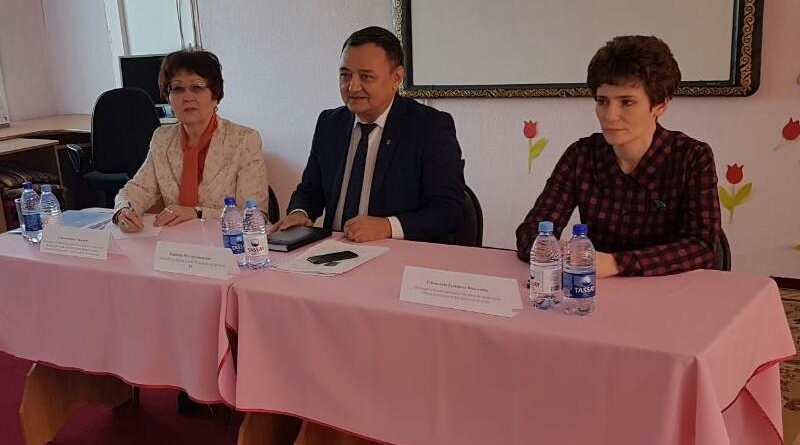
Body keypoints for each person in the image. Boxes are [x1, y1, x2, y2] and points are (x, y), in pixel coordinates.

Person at [516, 35, 721, 277]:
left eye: (627, 102)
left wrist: (615, 264)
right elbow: (531, 231)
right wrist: (551, 250)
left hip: (668, 289)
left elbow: (702, 246)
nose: (610, 115)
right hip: (592, 288)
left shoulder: (692, 157)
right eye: (603, 101)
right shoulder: (581, 155)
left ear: (660, 105)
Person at [273, 26, 465, 243]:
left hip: (398, 253)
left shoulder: (430, 127)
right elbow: (310, 190)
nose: (352, 87)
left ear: (396, 78)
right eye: (345, 75)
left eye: (366, 76)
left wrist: (388, 226)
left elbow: (450, 210)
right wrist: (300, 212)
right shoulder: (330, 123)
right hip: (332, 252)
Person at [113, 49, 268, 232]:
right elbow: (138, 189)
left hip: (226, 242)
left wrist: (198, 213)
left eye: (197, 87)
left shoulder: (244, 140)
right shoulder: (162, 139)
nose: (187, 97)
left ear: (215, 95)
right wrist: (124, 210)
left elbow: (255, 216)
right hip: (176, 242)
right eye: (178, 89)